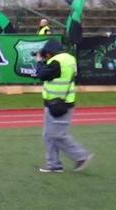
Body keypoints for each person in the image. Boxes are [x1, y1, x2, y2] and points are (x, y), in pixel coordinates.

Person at [35, 39, 93, 173]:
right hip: (61, 101)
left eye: (46, 54)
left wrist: (39, 62)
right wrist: (45, 62)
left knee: (57, 134)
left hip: (58, 103)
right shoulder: (69, 59)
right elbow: (58, 75)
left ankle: (80, 156)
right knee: (49, 135)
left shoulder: (56, 62)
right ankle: (53, 165)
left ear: (49, 53)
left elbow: (41, 75)